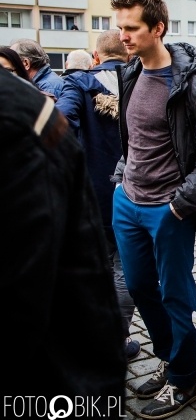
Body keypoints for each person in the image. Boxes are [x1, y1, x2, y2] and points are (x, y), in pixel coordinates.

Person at [111, 0, 196, 419]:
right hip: (128, 203)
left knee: (176, 294)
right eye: (120, 28)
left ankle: (184, 381)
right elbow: (133, 139)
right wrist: (120, 180)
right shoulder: (130, 72)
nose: (123, 36)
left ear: (158, 28)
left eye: (132, 28)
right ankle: (170, 361)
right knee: (138, 286)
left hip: (168, 209)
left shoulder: (192, 84)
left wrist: (179, 206)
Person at [2, 67, 127, 402]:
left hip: (50, 385)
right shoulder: (36, 106)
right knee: (121, 268)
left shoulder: (23, 114)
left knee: (122, 269)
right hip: (116, 192)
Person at [55, 29, 140, 360]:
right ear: (128, 55)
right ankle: (116, 338)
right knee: (124, 270)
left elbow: (60, 121)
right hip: (135, 189)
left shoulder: (78, 83)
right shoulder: (141, 80)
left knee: (100, 266)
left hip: (93, 193)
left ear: (96, 56)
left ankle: (102, 337)